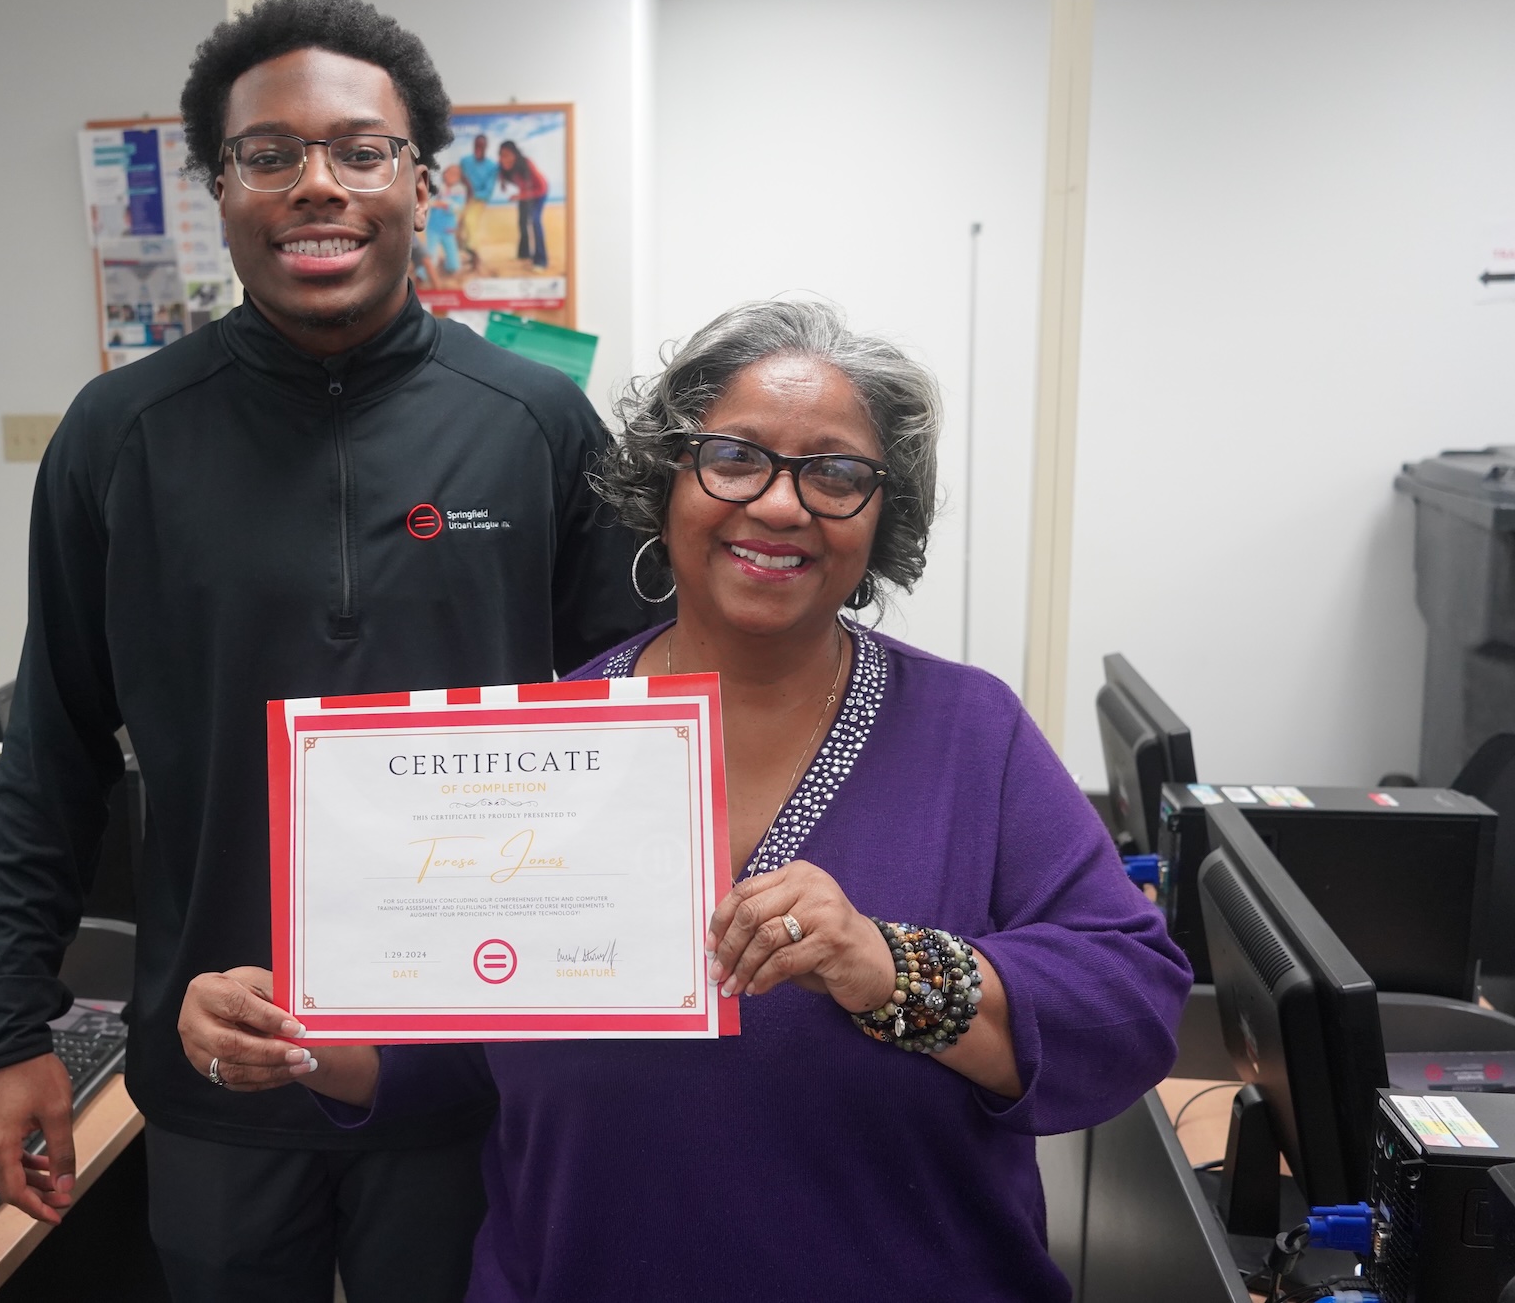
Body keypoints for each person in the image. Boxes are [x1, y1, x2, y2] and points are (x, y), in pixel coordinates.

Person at [180, 299, 1193, 1300]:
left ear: (880, 517)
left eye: (836, 473)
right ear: (664, 481)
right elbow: (465, 1048)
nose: (781, 505)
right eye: (734, 457)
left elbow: (1130, 1007)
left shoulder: (968, 731)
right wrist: (291, 1034)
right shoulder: (541, 745)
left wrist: (887, 968)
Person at [0, 0, 655, 1303]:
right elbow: (52, 753)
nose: (316, 184)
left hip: (470, 1074)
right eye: (269, 153)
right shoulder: (120, 436)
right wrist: (12, 1034)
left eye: (359, 149)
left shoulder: (538, 426)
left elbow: (631, 741)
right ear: (221, 190)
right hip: (219, 1068)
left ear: (422, 182)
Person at [496, 140, 548, 270]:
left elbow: (541, 187)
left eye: (508, 155)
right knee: (522, 222)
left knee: (535, 221)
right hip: (525, 193)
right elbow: (500, 173)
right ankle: (524, 254)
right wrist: (502, 182)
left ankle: (540, 260)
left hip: (539, 192)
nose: (505, 159)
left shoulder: (526, 163)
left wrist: (520, 196)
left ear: (515, 154)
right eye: (502, 155)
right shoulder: (501, 166)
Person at [456, 133, 498, 271]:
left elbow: (488, 191)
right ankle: (469, 253)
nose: (478, 148)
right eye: (476, 145)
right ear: (473, 145)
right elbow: (460, 179)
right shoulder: (465, 161)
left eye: (482, 146)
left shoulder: (492, 166)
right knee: (456, 228)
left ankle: (475, 257)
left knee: (470, 221)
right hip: (462, 199)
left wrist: (473, 193)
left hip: (479, 200)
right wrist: (464, 187)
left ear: (486, 147)